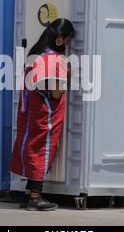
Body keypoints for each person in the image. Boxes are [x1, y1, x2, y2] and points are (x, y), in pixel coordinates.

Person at [9, 18, 75, 211]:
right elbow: (55, 93)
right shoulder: (56, 60)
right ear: (60, 40)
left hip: (29, 111)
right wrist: (68, 76)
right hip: (46, 113)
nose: (69, 44)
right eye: (69, 39)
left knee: (30, 145)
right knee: (42, 148)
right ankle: (36, 197)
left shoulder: (35, 55)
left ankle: (29, 192)